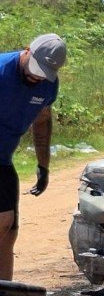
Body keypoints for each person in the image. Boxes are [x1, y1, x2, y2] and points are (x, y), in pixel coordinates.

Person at [0, 34, 67, 280]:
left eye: (44, 73)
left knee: (9, 231)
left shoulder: (48, 85)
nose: (37, 77)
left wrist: (43, 164)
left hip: (3, 160)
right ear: (27, 51)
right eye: (36, 69)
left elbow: (41, 121)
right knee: (1, 221)